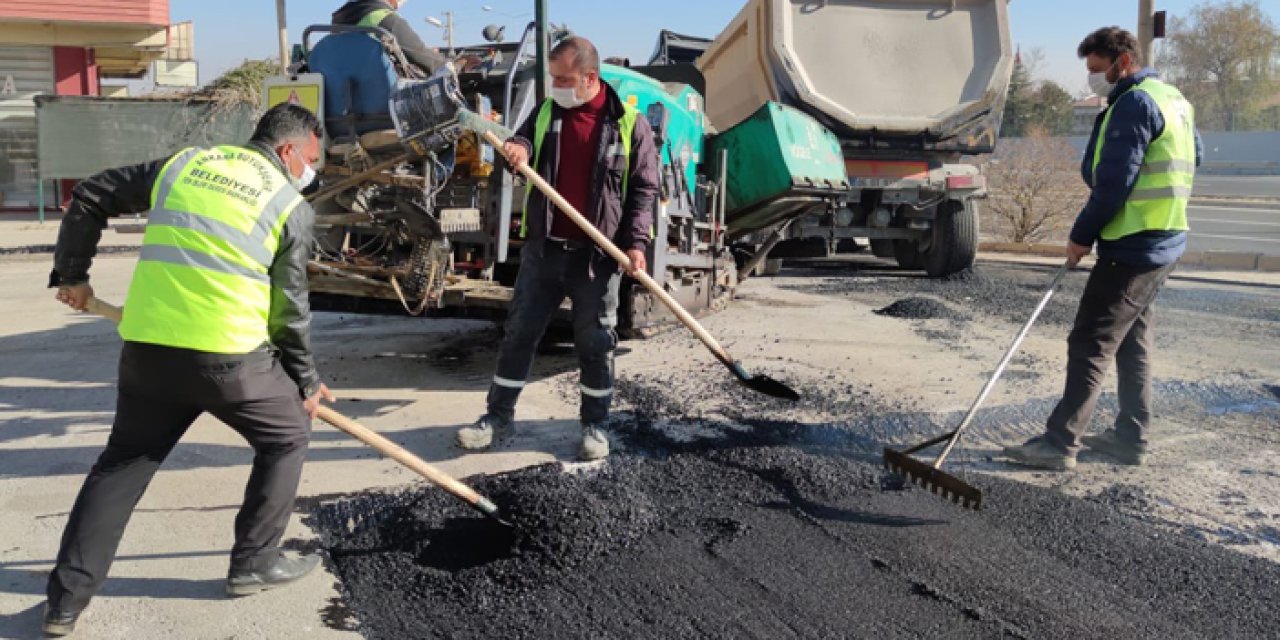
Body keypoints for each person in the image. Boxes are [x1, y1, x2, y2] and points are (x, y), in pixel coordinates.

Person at [42, 103, 334, 637]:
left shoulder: (186, 165)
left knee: (124, 463)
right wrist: (307, 384)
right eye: (310, 159)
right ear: (289, 150)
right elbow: (289, 309)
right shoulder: (289, 205)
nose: (309, 172)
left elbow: (90, 194)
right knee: (289, 435)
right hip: (231, 363)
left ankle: (64, 603)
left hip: (148, 353)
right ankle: (254, 562)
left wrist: (73, 274)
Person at [1003, 26, 1201, 471]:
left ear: (1123, 61)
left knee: (1091, 341)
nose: (1094, 78)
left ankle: (1059, 444)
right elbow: (1196, 157)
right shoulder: (1175, 100)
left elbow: (1113, 184)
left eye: (1098, 69)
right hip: (1165, 241)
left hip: (1132, 247)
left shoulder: (1134, 104)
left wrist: (1081, 234)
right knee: (1132, 341)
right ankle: (1132, 437)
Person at [455, 36, 660, 461]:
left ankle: (595, 425)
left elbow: (643, 190)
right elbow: (524, 141)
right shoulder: (548, 111)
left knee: (596, 344)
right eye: (553, 78)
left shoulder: (628, 123)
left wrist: (636, 244)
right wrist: (517, 147)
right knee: (519, 335)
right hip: (545, 249)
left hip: (597, 258)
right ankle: (497, 416)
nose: (556, 87)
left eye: (565, 79)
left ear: (590, 78)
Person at [332, 0, 447, 75]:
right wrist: (451, 63)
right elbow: (426, 59)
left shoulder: (337, 24)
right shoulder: (388, 21)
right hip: (383, 105)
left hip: (346, 105)